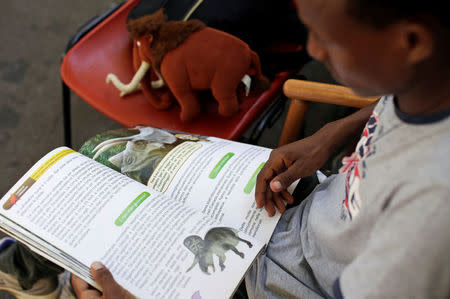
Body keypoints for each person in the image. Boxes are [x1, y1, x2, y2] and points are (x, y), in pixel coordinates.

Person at [0, 0, 449, 298]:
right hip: (308, 209)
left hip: (280, 282)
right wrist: (334, 134)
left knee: (91, 263)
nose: (311, 49)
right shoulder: (429, 82)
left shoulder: (428, 221)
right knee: (108, 152)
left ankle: (40, 276)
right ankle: (33, 268)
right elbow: (397, 107)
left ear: (411, 41)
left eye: (327, 39)